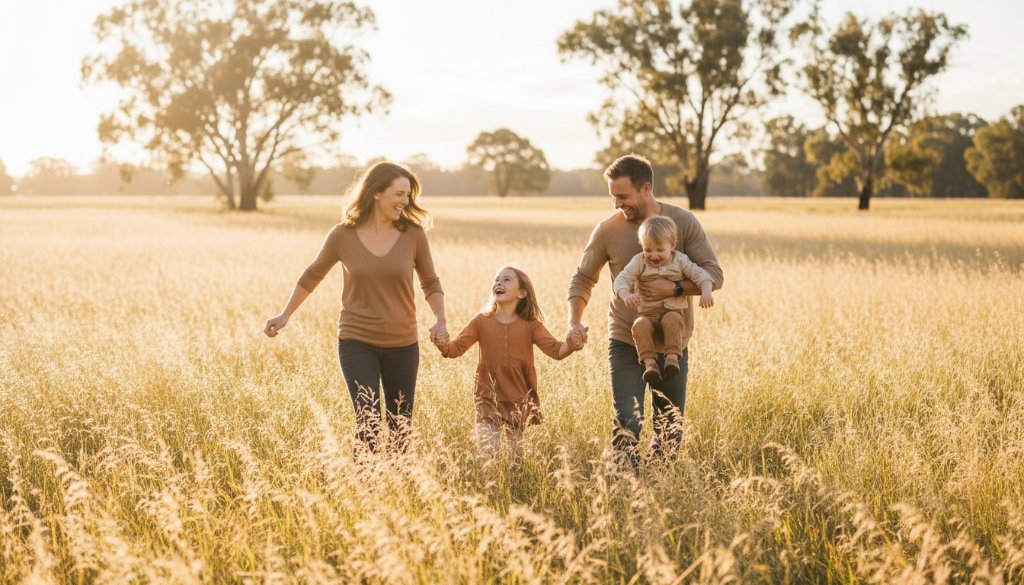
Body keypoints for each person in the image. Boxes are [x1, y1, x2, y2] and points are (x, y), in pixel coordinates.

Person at [264, 161, 448, 454]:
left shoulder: (413, 235)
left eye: (408, 195)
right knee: (368, 420)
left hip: (403, 342)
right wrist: (285, 314)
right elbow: (313, 274)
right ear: (377, 193)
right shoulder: (342, 235)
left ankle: (399, 488)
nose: (405, 201)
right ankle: (365, 489)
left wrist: (440, 319)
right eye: (399, 194)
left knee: (401, 424)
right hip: (356, 340)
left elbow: (431, 282)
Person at [567, 154, 723, 469]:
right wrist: (574, 322)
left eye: (622, 196)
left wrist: (674, 289)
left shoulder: (683, 222)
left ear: (646, 188)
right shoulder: (607, 230)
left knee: (670, 426)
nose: (616, 204)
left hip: (672, 343)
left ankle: (657, 486)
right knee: (628, 420)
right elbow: (583, 278)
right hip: (626, 340)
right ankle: (625, 488)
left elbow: (713, 275)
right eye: (612, 197)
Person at [433, 266, 582, 460]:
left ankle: (514, 486)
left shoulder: (531, 325)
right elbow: (455, 349)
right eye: (496, 280)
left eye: (506, 279)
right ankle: (488, 488)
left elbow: (556, 351)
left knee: (515, 459)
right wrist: (442, 344)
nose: (498, 283)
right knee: (488, 453)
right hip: (487, 395)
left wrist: (571, 344)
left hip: (518, 396)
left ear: (522, 293)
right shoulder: (481, 321)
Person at [614, 215, 715, 385]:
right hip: (647, 313)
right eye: (648, 250)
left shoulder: (680, 260)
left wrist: (706, 292)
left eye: (660, 250)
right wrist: (626, 295)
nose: (653, 255)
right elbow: (622, 279)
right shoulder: (639, 261)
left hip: (672, 310)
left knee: (673, 320)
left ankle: (672, 359)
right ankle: (650, 364)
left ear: (672, 245)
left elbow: (702, 276)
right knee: (639, 326)